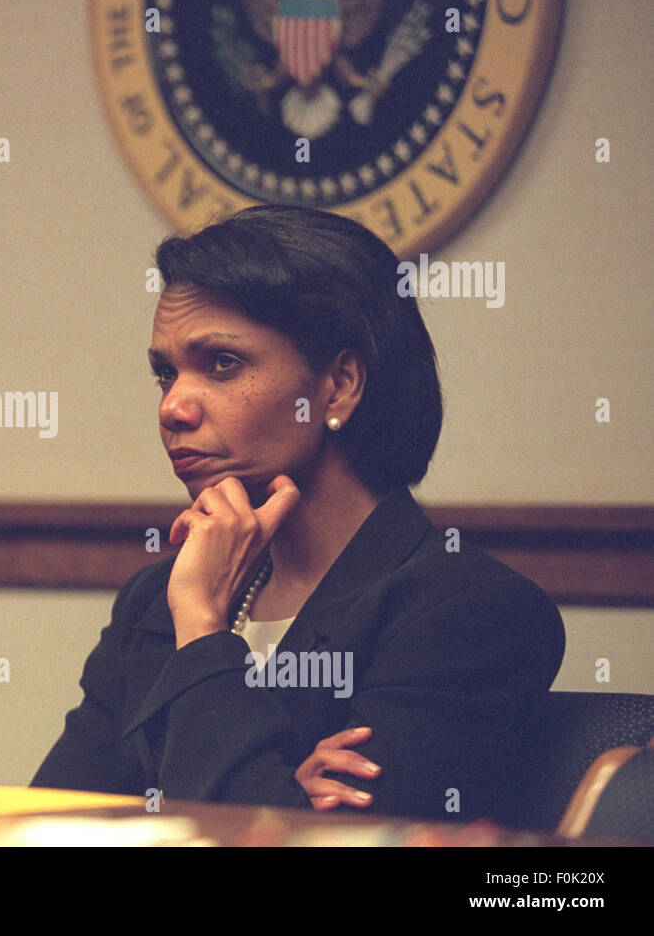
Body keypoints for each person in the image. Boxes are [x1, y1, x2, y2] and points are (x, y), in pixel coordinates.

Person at [32, 206, 565, 823]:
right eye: (165, 373)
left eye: (222, 364)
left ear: (338, 386)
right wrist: (284, 793)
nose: (173, 406)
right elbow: (53, 824)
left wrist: (204, 629)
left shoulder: (468, 612)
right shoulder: (156, 600)